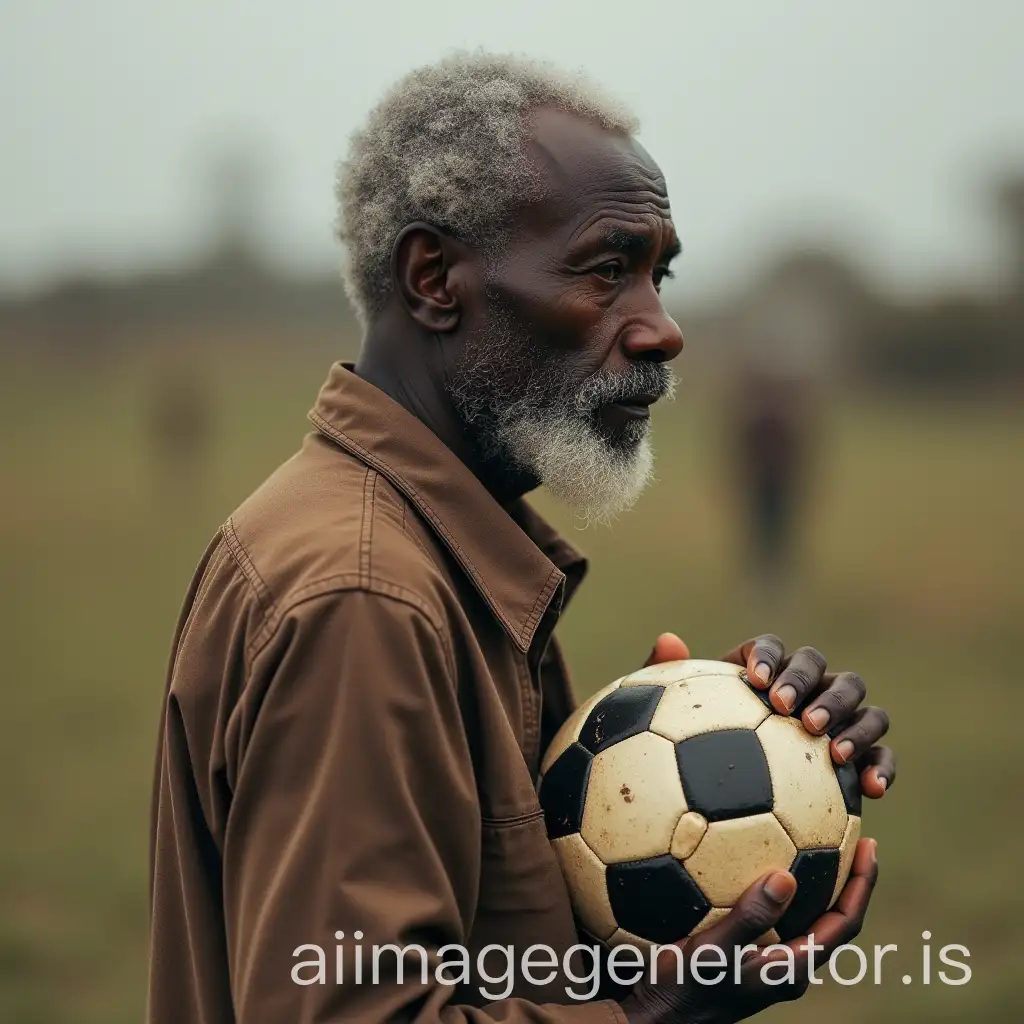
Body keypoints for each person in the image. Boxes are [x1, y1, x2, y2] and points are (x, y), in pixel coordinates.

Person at [147, 53, 895, 1024]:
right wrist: (649, 1017)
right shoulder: (363, 594)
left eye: (657, 276)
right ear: (434, 279)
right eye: (605, 270)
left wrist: (679, 755)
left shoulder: (422, 545)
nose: (661, 330)